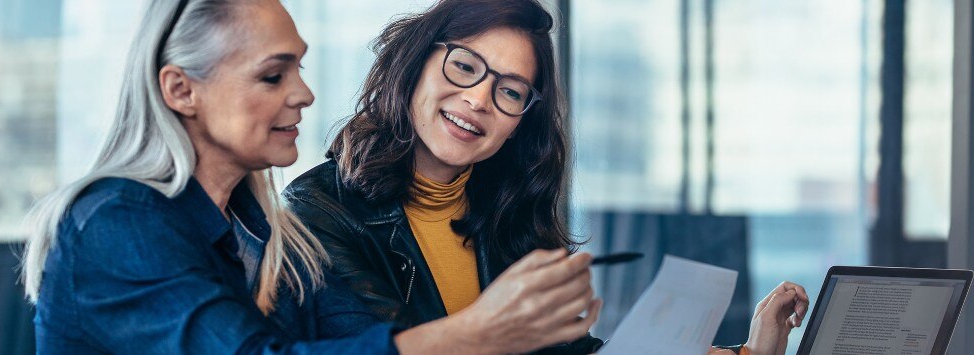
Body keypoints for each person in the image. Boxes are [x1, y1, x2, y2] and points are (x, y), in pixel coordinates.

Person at [21, 0, 598, 353]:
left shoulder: (268, 234)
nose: (304, 93)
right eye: (274, 76)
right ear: (181, 89)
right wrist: (480, 333)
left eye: (297, 67)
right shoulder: (117, 221)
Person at [282, 0, 810, 354]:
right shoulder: (318, 213)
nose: (478, 100)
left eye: (510, 91)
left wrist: (746, 351)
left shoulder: (505, 212)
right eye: (464, 66)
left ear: (519, 123)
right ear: (415, 64)